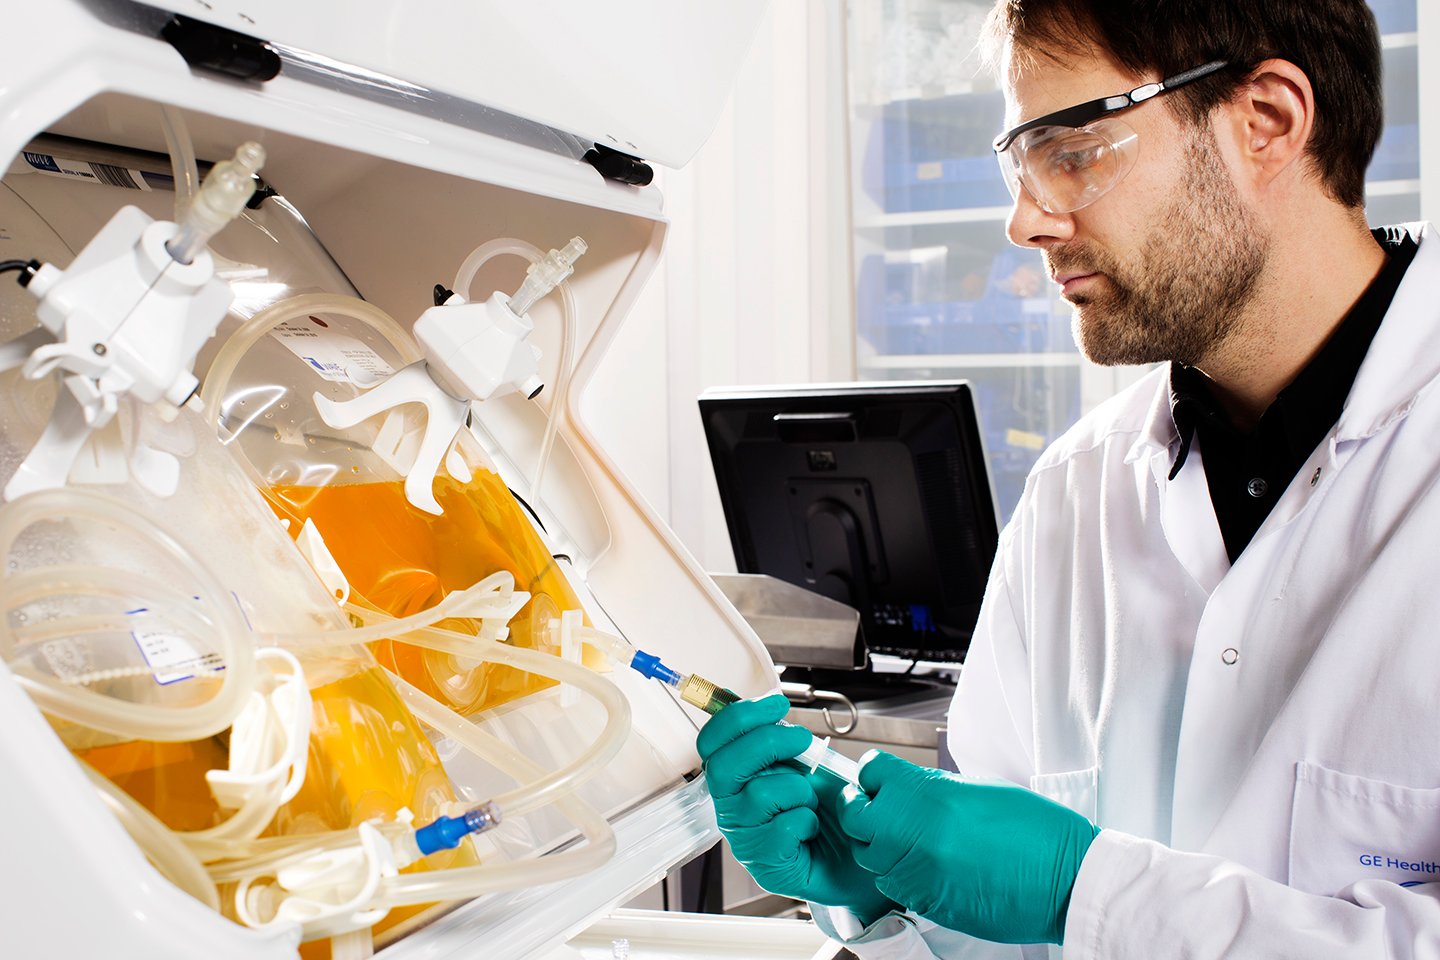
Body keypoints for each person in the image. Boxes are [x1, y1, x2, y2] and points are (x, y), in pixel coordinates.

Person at [697, 0, 1440, 956]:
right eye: (1020, 163)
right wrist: (883, 892)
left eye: (1073, 151)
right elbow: (997, 919)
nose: (1025, 220)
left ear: (1267, 121)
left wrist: (1084, 892)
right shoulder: (1074, 496)